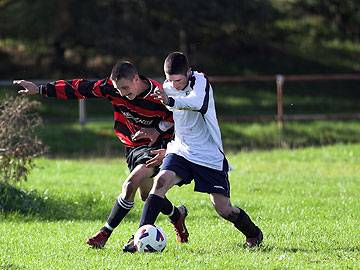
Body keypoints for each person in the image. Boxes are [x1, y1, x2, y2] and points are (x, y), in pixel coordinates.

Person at [13, 61, 189, 250]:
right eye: (118, 89)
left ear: (136, 79)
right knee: (147, 196)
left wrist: (161, 137)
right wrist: (40, 89)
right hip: (133, 148)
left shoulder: (157, 93)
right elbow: (79, 88)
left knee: (131, 183)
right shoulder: (111, 89)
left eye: (125, 88)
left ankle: (106, 234)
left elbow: (181, 119)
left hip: (157, 148)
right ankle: (177, 215)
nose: (122, 93)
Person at [134, 52, 263, 250]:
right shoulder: (168, 88)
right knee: (160, 183)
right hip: (181, 151)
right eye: (169, 80)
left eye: (177, 80)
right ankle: (140, 236)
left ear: (188, 72)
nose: (173, 84)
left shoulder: (200, 82)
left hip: (208, 156)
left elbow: (197, 104)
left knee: (223, 208)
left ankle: (254, 234)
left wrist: (170, 101)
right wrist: (157, 130)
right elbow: (175, 116)